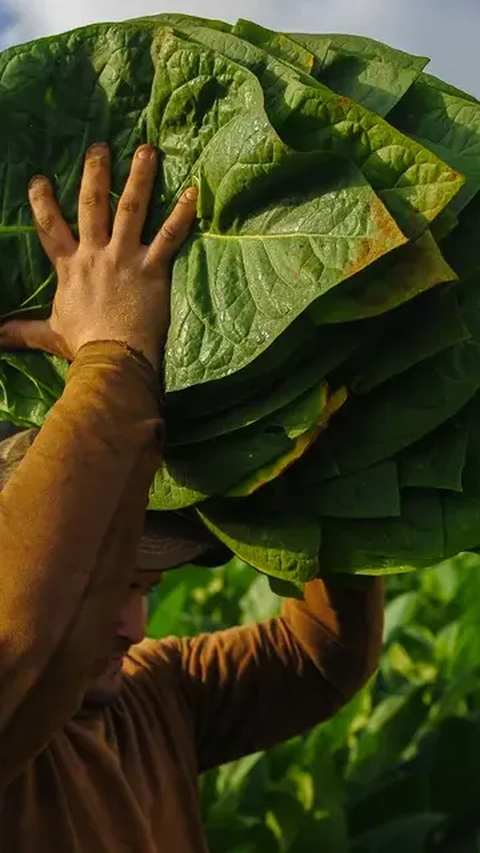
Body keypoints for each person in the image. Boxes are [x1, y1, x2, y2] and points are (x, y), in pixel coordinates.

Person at [0, 142, 384, 852]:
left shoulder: (152, 697)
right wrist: (112, 355)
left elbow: (320, 656)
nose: (135, 625)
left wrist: (321, 448)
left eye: (144, 584)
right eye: (109, 584)